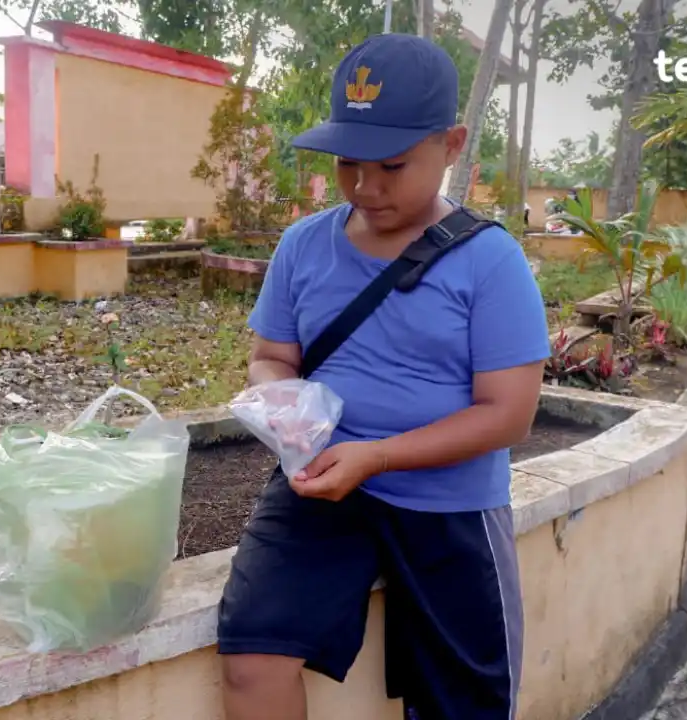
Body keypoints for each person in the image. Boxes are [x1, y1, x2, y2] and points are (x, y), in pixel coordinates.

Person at [217, 33, 550, 720]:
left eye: (392, 166)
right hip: (321, 487)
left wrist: (379, 456)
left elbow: (508, 414)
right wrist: (285, 407)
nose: (365, 187)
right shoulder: (303, 245)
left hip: (449, 502)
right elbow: (273, 355)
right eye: (348, 163)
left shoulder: (491, 261)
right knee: (252, 659)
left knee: (463, 703)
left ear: (451, 145)